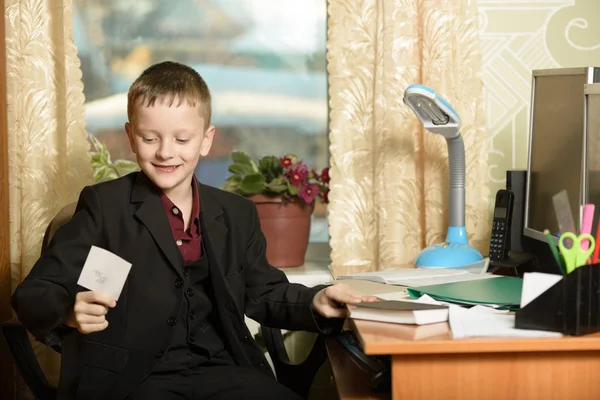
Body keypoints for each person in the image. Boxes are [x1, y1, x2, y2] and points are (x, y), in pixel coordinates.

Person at [12, 61, 376, 400]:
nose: (165, 152)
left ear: (206, 140)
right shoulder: (103, 206)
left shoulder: (236, 212)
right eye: (149, 138)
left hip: (223, 370)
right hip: (131, 381)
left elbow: (265, 292)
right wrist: (69, 309)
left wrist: (317, 299)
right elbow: (35, 292)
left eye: (182, 140)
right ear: (130, 136)